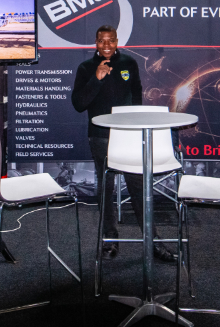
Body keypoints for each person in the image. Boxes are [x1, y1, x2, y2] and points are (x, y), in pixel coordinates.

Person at [71, 24, 176, 262]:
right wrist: (96, 79)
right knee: (105, 189)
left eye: (111, 40)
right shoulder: (86, 68)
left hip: (128, 136)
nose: (106, 45)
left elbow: (137, 95)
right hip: (100, 136)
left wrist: (135, 126)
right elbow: (78, 104)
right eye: (101, 41)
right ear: (96, 43)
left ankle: (153, 241)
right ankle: (109, 240)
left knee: (138, 188)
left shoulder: (129, 63)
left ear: (117, 42)